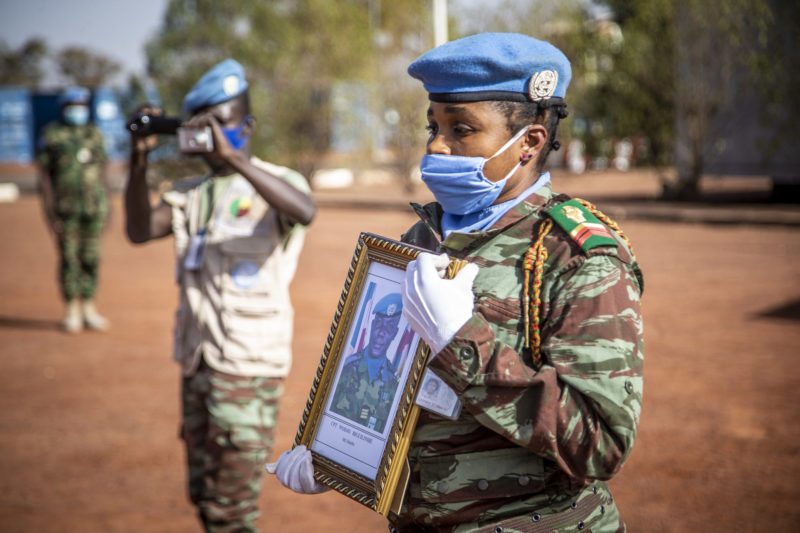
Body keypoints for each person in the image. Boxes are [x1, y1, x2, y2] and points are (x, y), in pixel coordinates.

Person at [267, 33, 644, 533]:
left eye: (461, 129)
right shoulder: (425, 235)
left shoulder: (574, 255)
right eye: (434, 126)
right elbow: (396, 384)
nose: (436, 145)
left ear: (529, 141)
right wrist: (339, 452)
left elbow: (600, 443)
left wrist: (460, 341)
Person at [124, 59, 316, 533]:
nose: (209, 136)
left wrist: (235, 159)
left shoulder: (278, 181)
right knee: (205, 497)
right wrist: (139, 158)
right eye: (199, 125)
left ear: (247, 126)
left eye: (221, 123)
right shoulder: (190, 193)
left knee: (231, 512)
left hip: (248, 370)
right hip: (198, 364)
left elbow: (304, 210)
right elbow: (138, 229)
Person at [37, 86, 111, 333]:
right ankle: (71, 309)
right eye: (72, 106)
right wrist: (50, 214)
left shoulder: (94, 134)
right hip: (65, 210)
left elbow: (104, 173)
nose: (77, 111)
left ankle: (89, 307)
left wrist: (108, 206)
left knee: (91, 258)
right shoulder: (53, 135)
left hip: (93, 209)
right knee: (69, 259)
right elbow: (44, 179)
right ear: (63, 108)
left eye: (80, 106)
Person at [330, 292, 403, 433]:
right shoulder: (345, 367)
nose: (381, 333)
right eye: (379, 324)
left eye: (389, 327)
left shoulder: (394, 384)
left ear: (395, 333)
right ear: (372, 325)